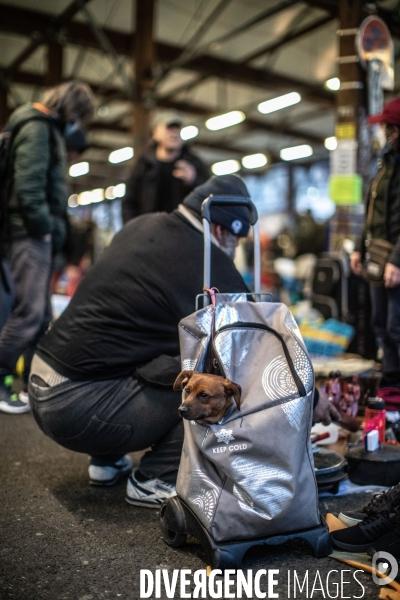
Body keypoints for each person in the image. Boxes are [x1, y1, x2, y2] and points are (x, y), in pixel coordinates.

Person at [28, 174, 337, 509]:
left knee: (161, 356)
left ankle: (106, 459)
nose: (233, 252)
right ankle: (155, 478)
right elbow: (254, 346)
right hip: (76, 406)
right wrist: (312, 397)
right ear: (222, 230)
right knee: (215, 392)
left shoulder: (144, 224)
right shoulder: (206, 258)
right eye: (236, 242)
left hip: (44, 385)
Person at [0, 80, 96, 414]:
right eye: (80, 117)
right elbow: (28, 184)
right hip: (29, 234)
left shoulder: (41, 128)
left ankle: (33, 386)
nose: (78, 126)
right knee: (28, 314)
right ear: (71, 107)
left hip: (33, 233)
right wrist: (42, 229)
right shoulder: (38, 128)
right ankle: (1, 383)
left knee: (39, 315)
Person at [350, 97, 400, 381]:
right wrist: (359, 249)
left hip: (394, 262)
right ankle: (393, 388)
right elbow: (370, 213)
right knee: (380, 324)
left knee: (396, 327)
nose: (381, 130)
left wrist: (397, 261)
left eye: (386, 125)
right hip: (377, 258)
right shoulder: (384, 165)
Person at [122, 113, 209, 223]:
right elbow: (129, 201)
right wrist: (133, 229)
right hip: (151, 230)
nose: (174, 133)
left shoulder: (194, 164)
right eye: (169, 128)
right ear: (155, 133)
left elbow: (209, 198)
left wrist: (194, 180)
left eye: (177, 129)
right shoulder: (144, 165)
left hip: (184, 231)